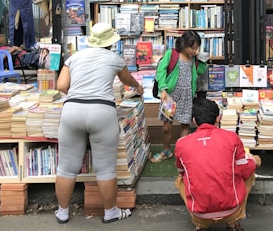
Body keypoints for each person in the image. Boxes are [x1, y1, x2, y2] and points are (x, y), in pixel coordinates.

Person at [54, 22, 144, 224]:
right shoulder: (114, 59)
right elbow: (128, 80)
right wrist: (138, 86)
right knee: (105, 169)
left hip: (72, 111)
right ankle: (111, 212)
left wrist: (79, 96)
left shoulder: (74, 57)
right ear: (111, 42)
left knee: (67, 168)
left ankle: (62, 212)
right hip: (102, 112)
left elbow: (61, 85)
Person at [174, 98, 261, 231]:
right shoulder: (232, 138)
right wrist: (254, 160)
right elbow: (245, 170)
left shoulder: (181, 143)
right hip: (231, 209)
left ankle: (201, 224)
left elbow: (181, 172)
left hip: (199, 212)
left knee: (180, 179)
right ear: (218, 118)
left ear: (194, 121)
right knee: (249, 171)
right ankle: (234, 221)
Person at [151, 30, 208, 163]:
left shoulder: (194, 59)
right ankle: (166, 150)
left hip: (187, 97)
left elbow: (201, 71)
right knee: (166, 127)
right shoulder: (172, 54)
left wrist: (202, 58)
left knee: (185, 125)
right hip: (170, 97)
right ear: (183, 44)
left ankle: (182, 154)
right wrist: (163, 89)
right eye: (192, 48)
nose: (195, 51)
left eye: (196, 48)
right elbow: (161, 70)